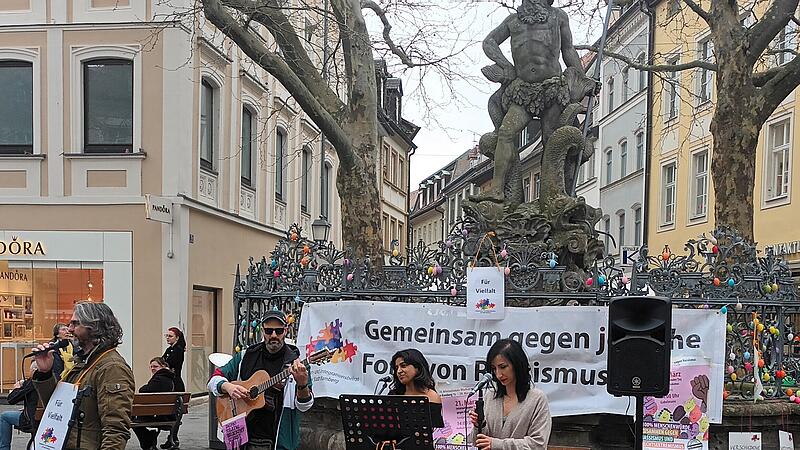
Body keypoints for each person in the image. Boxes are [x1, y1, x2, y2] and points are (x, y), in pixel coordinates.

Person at [476, 0, 597, 203]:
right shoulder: (513, 21)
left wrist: (583, 79)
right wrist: (506, 65)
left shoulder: (557, 17)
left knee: (551, 140)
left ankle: (555, 194)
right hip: (522, 90)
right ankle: (497, 189)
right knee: (505, 132)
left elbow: (568, 50)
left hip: (552, 90)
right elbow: (489, 42)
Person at [31, 301, 135, 450]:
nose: (70, 329)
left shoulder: (112, 368)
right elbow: (58, 409)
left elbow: (115, 429)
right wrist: (45, 373)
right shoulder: (83, 363)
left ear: (94, 327)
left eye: (75, 323)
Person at [208, 309, 313, 450]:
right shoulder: (245, 356)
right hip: (241, 436)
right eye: (269, 331)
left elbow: (305, 406)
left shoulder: (296, 364)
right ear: (262, 331)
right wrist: (227, 387)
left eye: (278, 331)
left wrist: (302, 384)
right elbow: (214, 380)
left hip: (279, 439)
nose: (274, 335)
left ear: (285, 331)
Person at [469, 339, 552, 450]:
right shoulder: (489, 396)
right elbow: (477, 442)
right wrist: (479, 424)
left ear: (517, 364)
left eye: (503, 367)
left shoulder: (537, 399)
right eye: (494, 369)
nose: (498, 374)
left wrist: (497, 444)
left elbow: (538, 444)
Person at [388, 349, 444, 428]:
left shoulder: (432, 397)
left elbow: (435, 429)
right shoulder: (394, 394)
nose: (399, 371)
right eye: (396, 368)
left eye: (403, 366)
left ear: (417, 367)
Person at [133, 357, 176, 450]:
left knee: (132, 419)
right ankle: (149, 440)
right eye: (151, 367)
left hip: (159, 416)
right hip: (169, 416)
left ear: (163, 366)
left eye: (155, 366)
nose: (152, 368)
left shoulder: (159, 379)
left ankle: (148, 441)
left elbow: (143, 390)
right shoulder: (170, 378)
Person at [0, 362, 39, 450]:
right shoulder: (52, 380)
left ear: (34, 370)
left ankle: (4, 448)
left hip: (30, 420)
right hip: (45, 418)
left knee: (4, 416)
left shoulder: (32, 382)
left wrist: (17, 388)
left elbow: (11, 400)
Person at [162, 327, 186, 392]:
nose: (167, 338)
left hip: (175, 381)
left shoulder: (178, 349)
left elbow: (170, 363)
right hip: (169, 380)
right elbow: (162, 360)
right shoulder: (169, 349)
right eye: (166, 336)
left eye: (170, 336)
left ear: (177, 338)